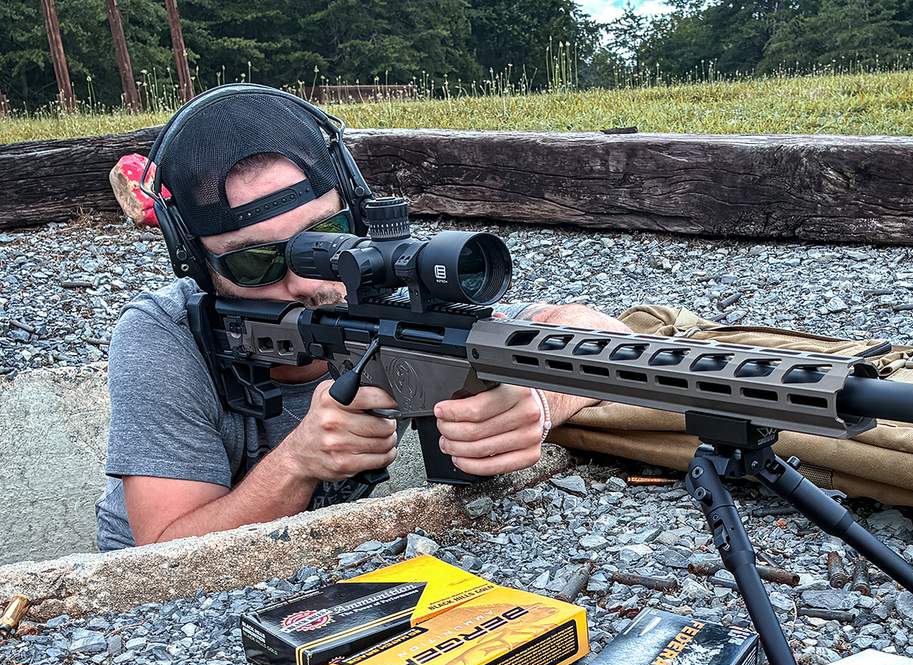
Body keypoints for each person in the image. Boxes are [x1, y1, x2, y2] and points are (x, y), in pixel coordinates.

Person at [96, 88, 628, 551]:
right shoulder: (165, 333)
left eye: (327, 236)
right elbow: (160, 559)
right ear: (200, 266)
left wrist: (539, 403)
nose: (307, 284)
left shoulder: (382, 296)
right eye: (256, 261)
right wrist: (297, 463)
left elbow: (604, 336)